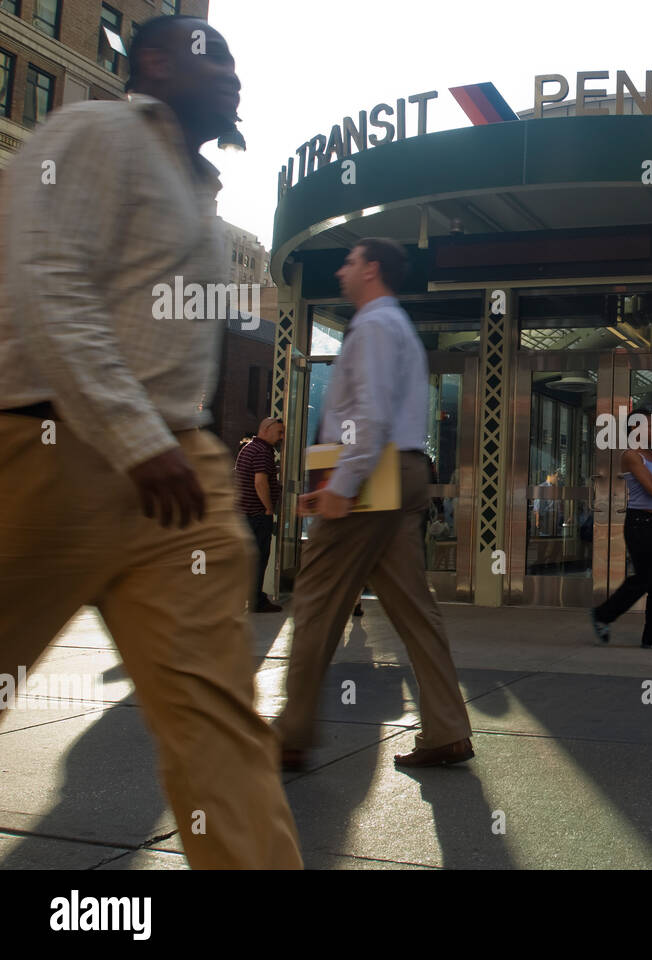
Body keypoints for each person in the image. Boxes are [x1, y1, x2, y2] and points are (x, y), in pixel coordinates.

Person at [0, 16, 301, 868]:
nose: (236, 77)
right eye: (219, 61)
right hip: (45, 449)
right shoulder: (92, 133)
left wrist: (175, 442)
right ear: (156, 63)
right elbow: (49, 284)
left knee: (220, 721)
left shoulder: (201, 194)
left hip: (180, 476)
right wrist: (136, 436)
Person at [276, 238, 473, 768]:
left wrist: (340, 487)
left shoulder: (373, 327)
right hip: (402, 471)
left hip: (371, 473)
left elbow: (367, 416)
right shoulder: (399, 326)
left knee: (317, 598)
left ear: (372, 270)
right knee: (414, 607)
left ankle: (291, 733)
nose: (342, 270)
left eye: (350, 261)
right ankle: (447, 729)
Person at [590, 410, 652, 649]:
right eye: (648, 425)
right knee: (645, 578)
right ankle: (603, 615)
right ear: (634, 429)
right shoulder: (631, 456)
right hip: (640, 524)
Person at [235, 416, 284, 612]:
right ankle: (256, 600)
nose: (281, 437)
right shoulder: (263, 452)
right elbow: (260, 482)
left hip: (244, 513)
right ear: (267, 429)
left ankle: (242, 598)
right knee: (259, 558)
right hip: (257, 514)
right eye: (279, 432)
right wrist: (269, 508)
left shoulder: (248, 448)